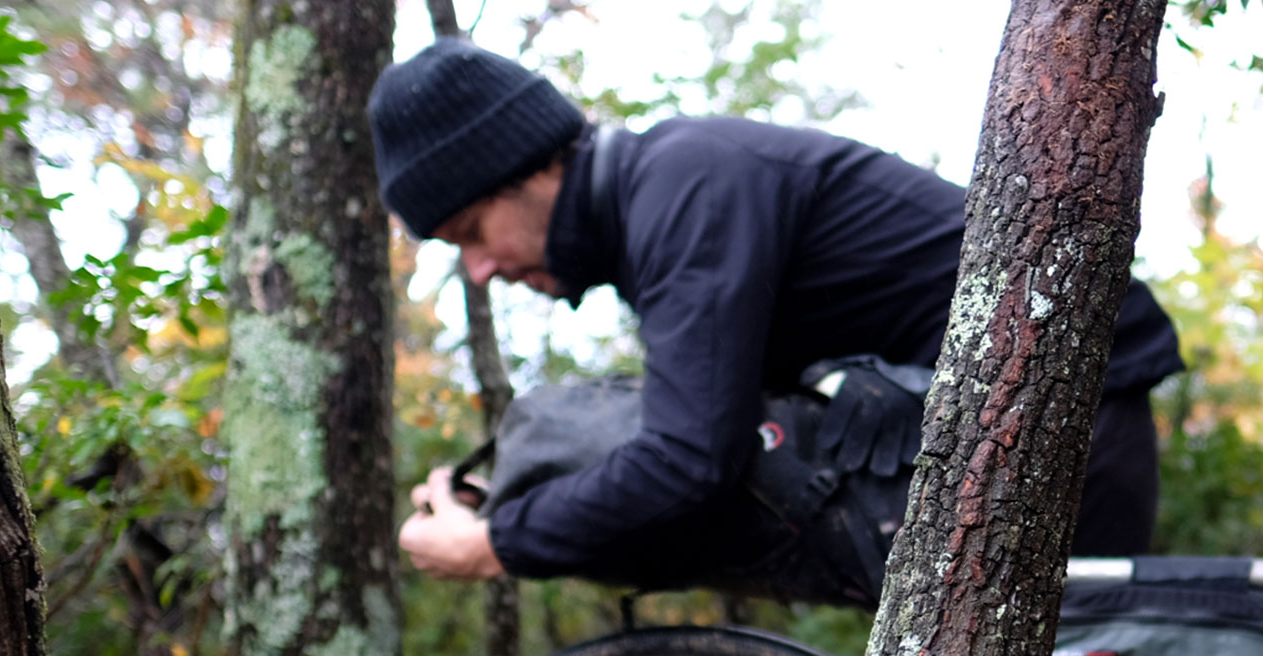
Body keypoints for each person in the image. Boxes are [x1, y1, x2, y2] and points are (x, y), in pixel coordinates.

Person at [371, 37, 1183, 605]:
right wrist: (496, 493)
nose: (480, 268)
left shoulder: (686, 188)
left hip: (1069, 419)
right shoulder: (663, 199)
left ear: (537, 165)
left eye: (472, 232)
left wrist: (497, 543)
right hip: (1007, 424)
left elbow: (691, 457)